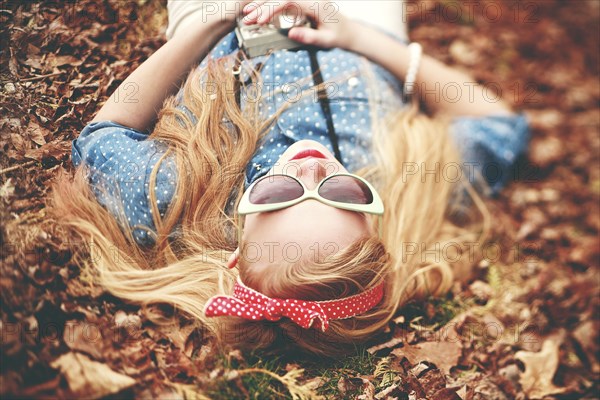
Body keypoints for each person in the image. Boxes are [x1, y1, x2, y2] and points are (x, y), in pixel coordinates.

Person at [53, 0, 529, 355]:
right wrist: (362, 40)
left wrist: (212, 21)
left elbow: (100, 138)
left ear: (235, 253)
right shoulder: (413, 187)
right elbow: (500, 125)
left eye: (277, 194)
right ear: (376, 227)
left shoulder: (177, 199)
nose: (311, 166)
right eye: (343, 193)